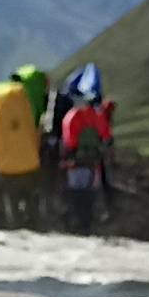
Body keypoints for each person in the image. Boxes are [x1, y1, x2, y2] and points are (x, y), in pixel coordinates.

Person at [54, 65, 115, 230]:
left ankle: (73, 224)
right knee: (89, 195)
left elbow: (69, 142)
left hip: (74, 163)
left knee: (75, 193)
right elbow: (106, 137)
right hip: (92, 163)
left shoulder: (71, 117)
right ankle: (86, 224)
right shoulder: (98, 116)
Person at [0, 72, 46, 224]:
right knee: (31, 195)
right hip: (29, 161)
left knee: (11, 196)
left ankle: (15, 223)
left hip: (6, 164)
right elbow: (36, 129)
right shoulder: (26, 103)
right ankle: (34, 223)